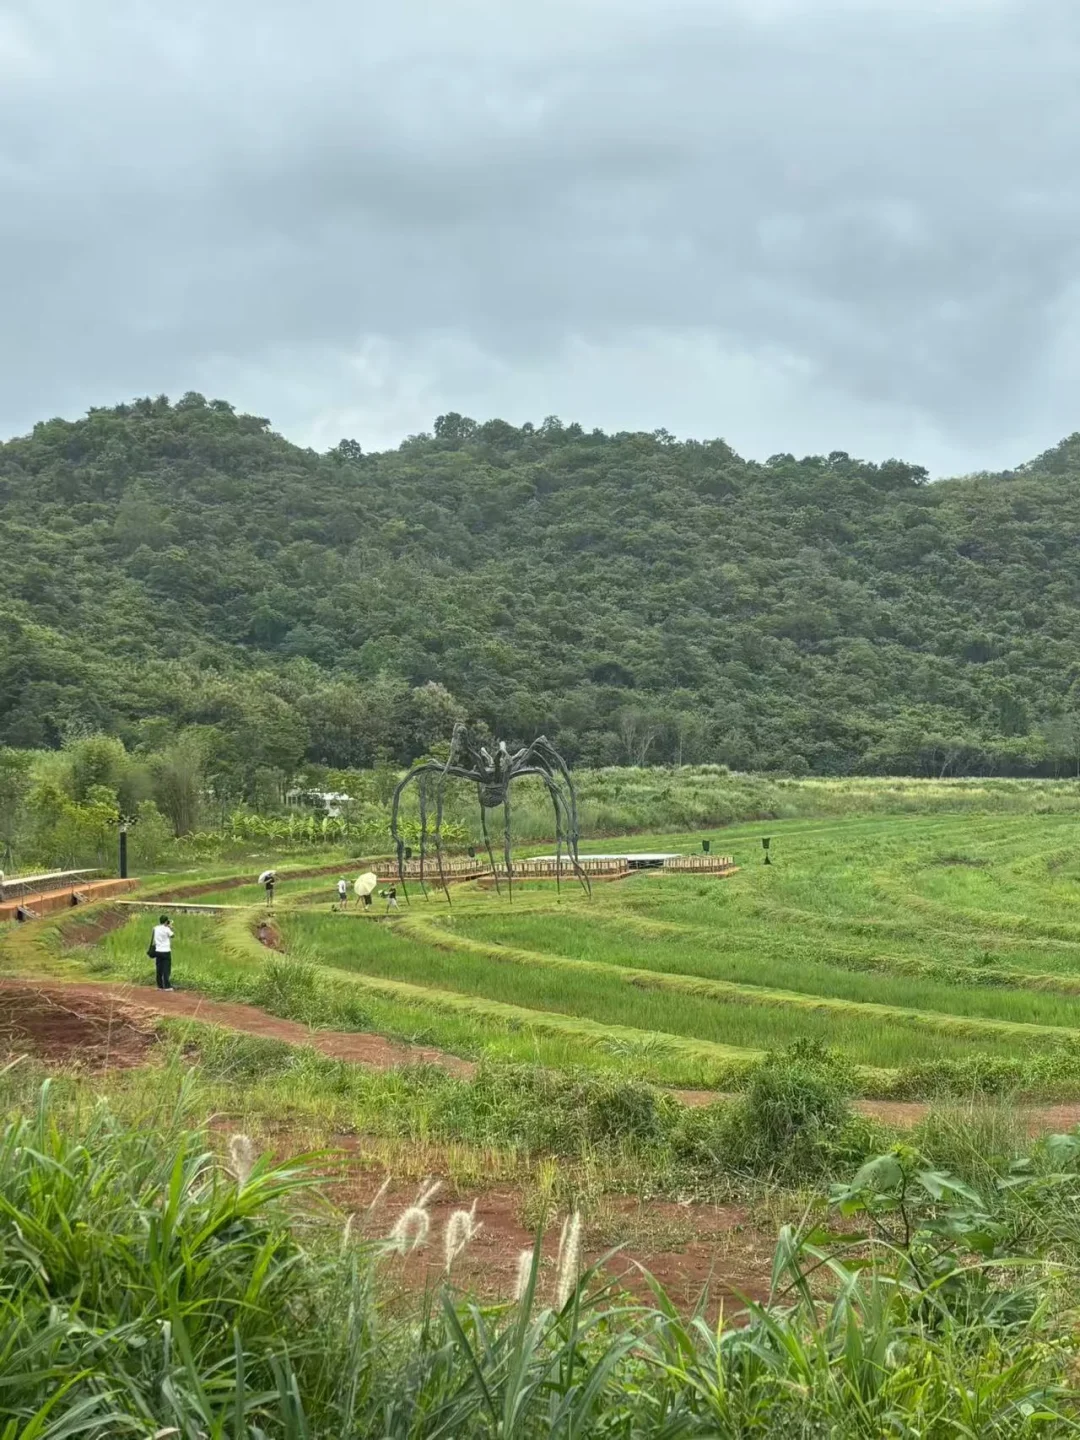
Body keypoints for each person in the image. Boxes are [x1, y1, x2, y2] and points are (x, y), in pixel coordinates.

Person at [151, 914, 175, 991]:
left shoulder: (155, 928)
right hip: (166, 951)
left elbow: (155, 931)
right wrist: (170, 927)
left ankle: (160, 986)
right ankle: (167, 986)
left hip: (158, 951)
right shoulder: (167, 929)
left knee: (159, 969)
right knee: (166, 969)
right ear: (166, 921)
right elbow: (172, 936)